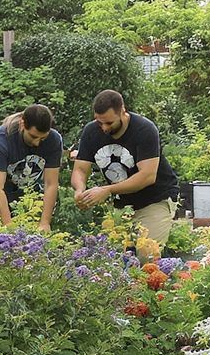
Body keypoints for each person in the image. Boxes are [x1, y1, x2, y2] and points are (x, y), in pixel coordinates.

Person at [71, 89, 180, 249]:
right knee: (112, 256)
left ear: (122, 111)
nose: (104, 128)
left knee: (146, 254)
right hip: (121, 206)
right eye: (99, 122)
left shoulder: (144, 130)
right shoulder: (91, 131)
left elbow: (147, 176)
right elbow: (80, 169)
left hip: (154, 199)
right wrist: (80, 190)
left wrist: (107, 190)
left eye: (109, 122)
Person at [0, 104, 63, 233]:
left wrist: (45, 222)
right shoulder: (1, 139)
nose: (37, 143)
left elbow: (51, 184)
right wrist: (9, 228)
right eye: (33, 136)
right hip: (6, 193)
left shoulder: (54, 140)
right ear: (23, 124)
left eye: (43, 138)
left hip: (34, 195)